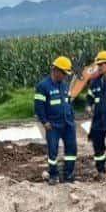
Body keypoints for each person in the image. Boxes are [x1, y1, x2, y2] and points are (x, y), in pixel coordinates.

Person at [34, 56, 77, 184]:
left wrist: (72, 117)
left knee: (71, 150)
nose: (65, 76)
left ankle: (68, 174)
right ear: (56, 70)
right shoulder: (42, 86)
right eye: (64, 73)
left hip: (68, 124)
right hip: (53, 125)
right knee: (53, 152)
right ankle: (53, 175)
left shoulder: (64, 86)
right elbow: (38, 106)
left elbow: (68, 103)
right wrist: (44, 122)